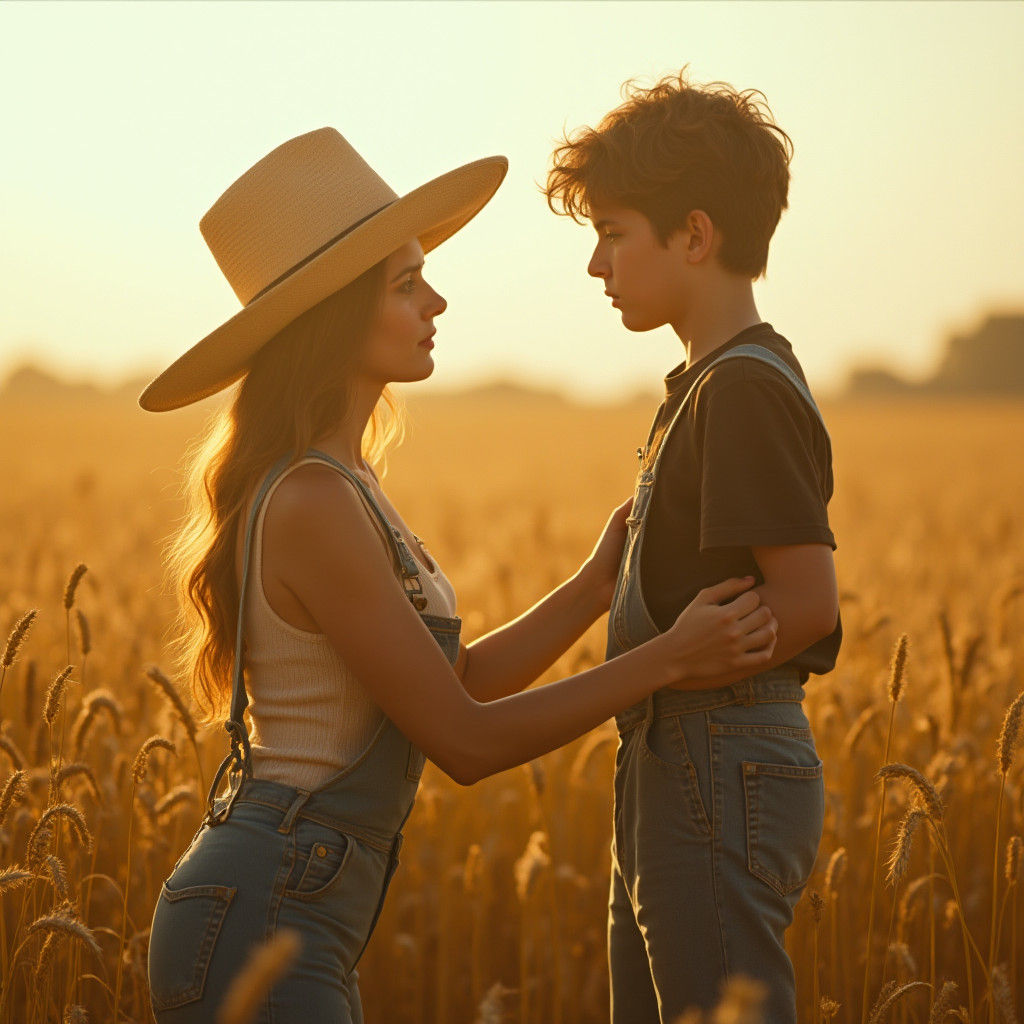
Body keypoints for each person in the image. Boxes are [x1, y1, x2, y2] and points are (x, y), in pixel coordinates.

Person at [141, 127, 779, 1024]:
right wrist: (670, 658)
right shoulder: (313, 501)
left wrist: (594, 586)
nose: (436, 300)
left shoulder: (346, 482)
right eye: (406, 285)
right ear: (336, 316)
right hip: (263, 909)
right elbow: (466, 742)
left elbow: (459, 680)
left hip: (293, 903)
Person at [545, 71, 841, 1023]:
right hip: (681, 760)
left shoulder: (741, 388)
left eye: (613, 233)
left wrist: (681, 661)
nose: (596, 265)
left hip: (719, 758)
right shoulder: (705, 385)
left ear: (696, 236)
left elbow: (808, 602)